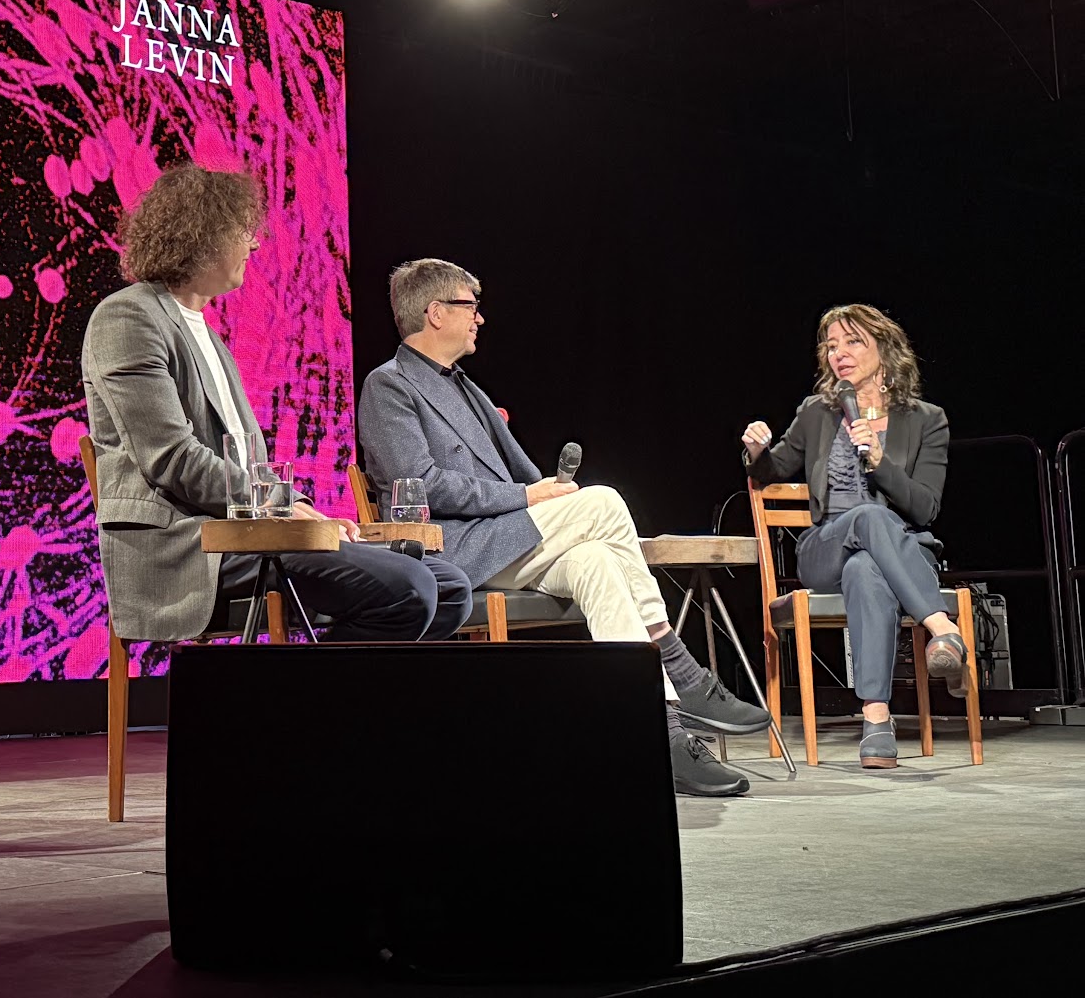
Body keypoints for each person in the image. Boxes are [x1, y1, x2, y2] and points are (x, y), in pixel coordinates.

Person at [357, 259, 770, 798]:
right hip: (450, 551)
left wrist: (552, 493)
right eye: (470, 307)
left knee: (597, 559)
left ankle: (658, 732)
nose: (480, 318)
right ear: (436, 314)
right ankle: (679, 666)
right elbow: (422, 486)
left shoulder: (465, 387)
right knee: (604, 502)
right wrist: (531, 497)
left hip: (501, 541)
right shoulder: (388, 386)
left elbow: (527, 475)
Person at [82, 165, 471, 646]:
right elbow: (171, 458)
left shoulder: (208, 334)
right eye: (244, 230)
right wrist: (283, 511)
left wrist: (305, 512)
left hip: (245, 535)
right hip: (188, 546)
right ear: (203, 234)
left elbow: (250, 464)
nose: (255, 244)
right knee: (409, 588)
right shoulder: (127, 317)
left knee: (451, 587)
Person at [742, 303, 960, 770]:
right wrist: (757, 450)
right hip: (824, 549)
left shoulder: (927, 420)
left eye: (852, 341)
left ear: (885, 350)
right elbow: (774, 469)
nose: (839, 352)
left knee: (866, 567)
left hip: (896, 552)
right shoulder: (816, 413)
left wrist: (880, 461)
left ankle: (876, 720)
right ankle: (942, 627)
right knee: (863, 520)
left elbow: (925, 508)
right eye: (831, 344)